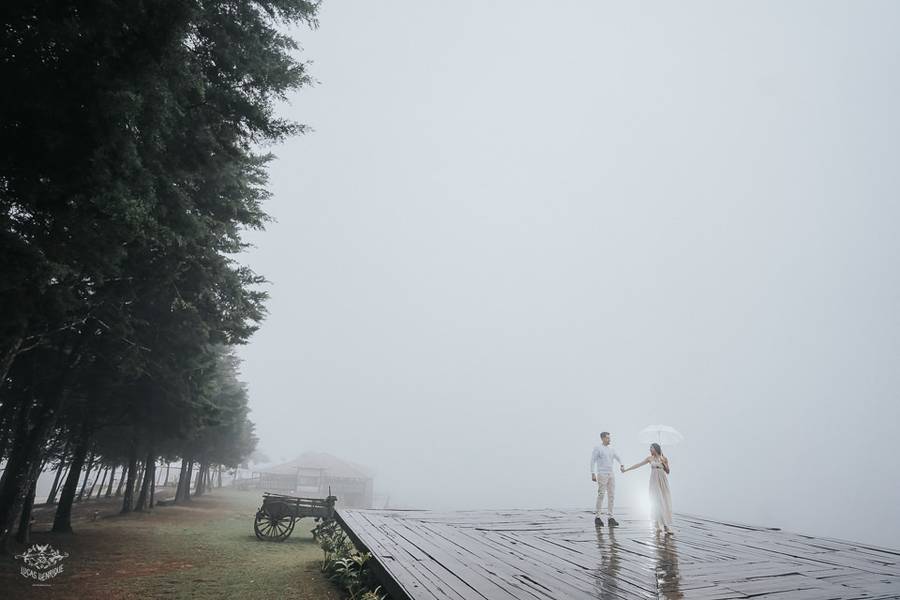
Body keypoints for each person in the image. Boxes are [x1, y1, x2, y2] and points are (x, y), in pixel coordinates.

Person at [621, 443, 674, 535]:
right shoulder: (650, 458)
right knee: (658, 501)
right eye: (650, 448)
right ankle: (663, 525)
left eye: (651, 448)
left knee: (664, 501)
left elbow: (668, 471)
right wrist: (626, 470)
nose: (650, 450)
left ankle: (662, 524)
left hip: (662, 481)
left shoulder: (664, 458)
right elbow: (638, 464)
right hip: (654, 481)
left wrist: (664, 463)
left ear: (656, 449)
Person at [590, 431, 623, 526]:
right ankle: (597, 517)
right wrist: (592, 473)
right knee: (601, 495)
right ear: (603, 438)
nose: (609, 439)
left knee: (611, 495)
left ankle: (610, 517)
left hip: (611, 474)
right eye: (608, 438)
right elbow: (592, 460)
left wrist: (622, 464)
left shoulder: (611, 449)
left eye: (609, 438)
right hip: (602, 474)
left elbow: (618, 457)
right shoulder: (598, 448)